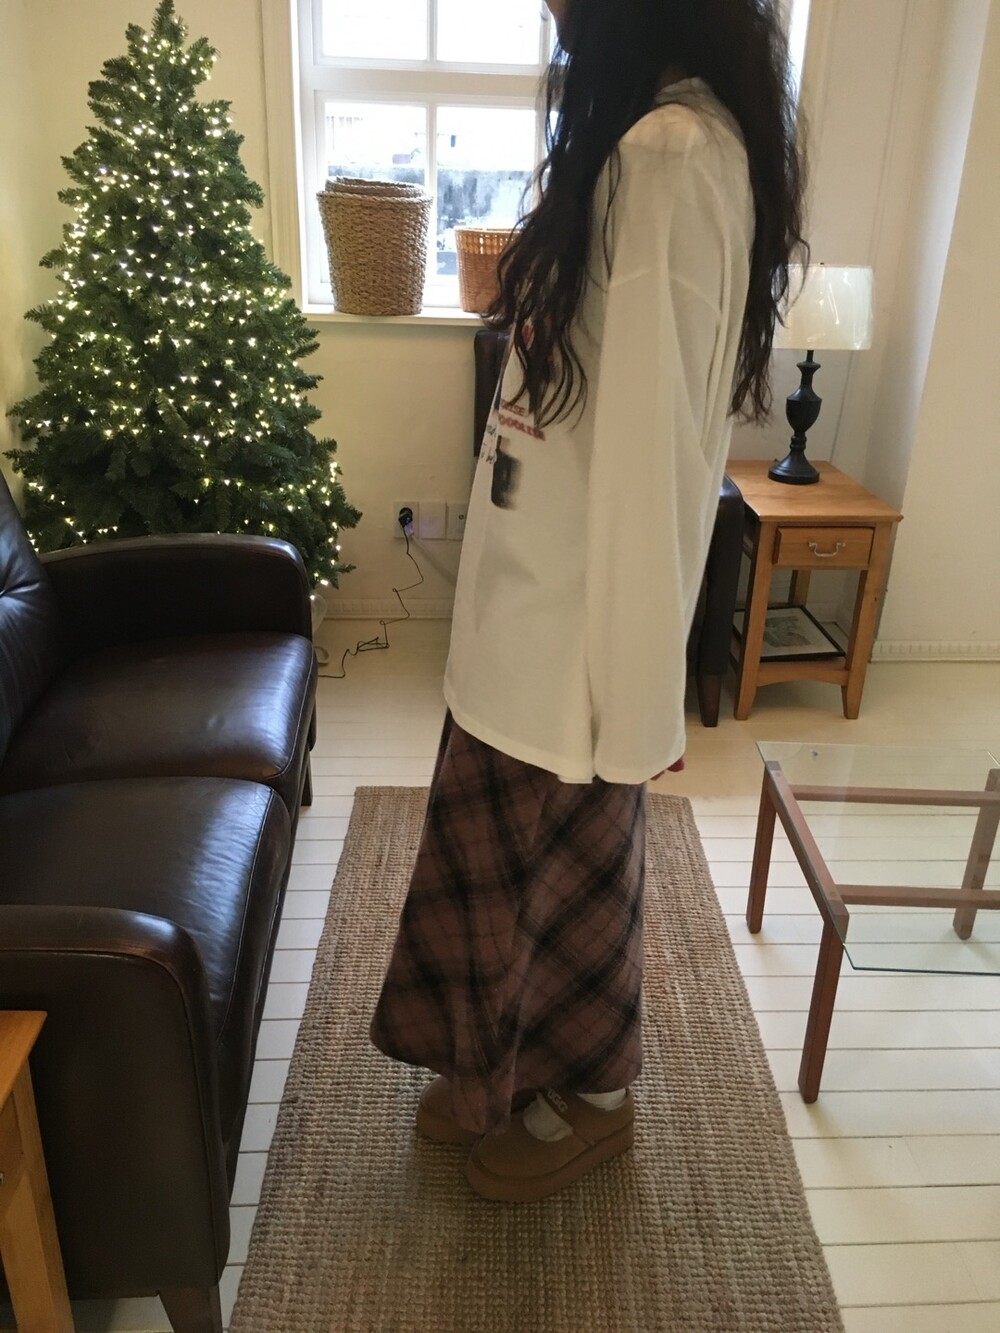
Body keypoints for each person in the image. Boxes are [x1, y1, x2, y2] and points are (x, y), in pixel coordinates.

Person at [370, 0, 807, 1203]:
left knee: (562, 874)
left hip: (574, 625)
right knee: (498, 863)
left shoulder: (671, 154)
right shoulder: (640, 137)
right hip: (527, 601)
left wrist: (637, 687)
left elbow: (658, 454)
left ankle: (596, 1099)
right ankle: (503, 1068)